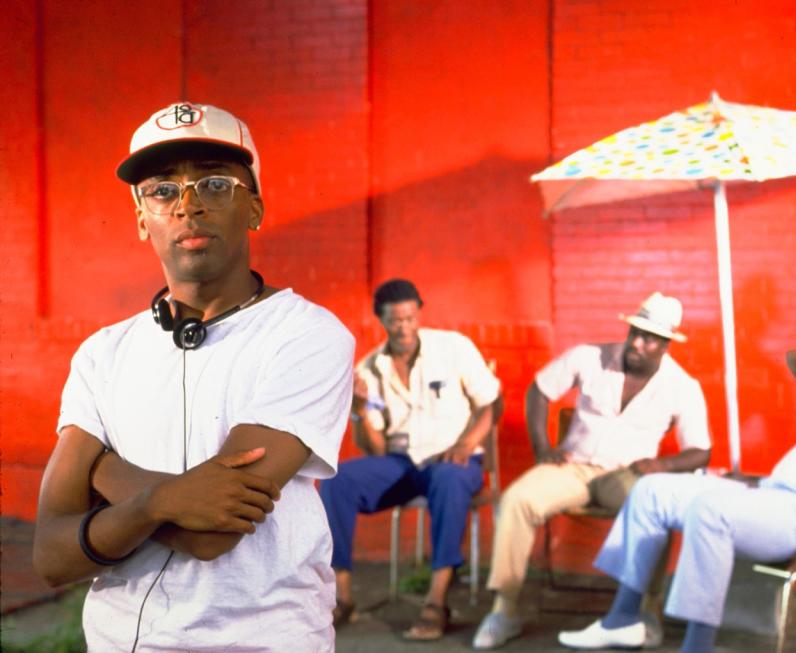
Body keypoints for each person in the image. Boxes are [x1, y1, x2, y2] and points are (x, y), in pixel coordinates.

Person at [32, 102, 355, 652]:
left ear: (253, 207)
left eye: (214, 184)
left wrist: (102, 470)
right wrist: (162, 503)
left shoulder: (307, 336)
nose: (188, 206)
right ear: (140, 219)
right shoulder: (101, 354)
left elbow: (211, 534)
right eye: (162, 190)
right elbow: (51, 556)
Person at [557, 320, 796, 652]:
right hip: (772, 496)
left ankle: (697, 646)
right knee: (652, 490)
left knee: (712, 513)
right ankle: (623, 619)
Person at [473, 291, 712, 650]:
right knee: (517, 500)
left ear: (666, 345)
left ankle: (648, 610)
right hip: (573, 466)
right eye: (636, 332)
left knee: (657, 511)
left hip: (627, 474)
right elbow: (539, 388)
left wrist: (661, 465)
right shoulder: (590, 356)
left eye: (651, 339)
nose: (639, 343)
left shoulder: (682, 386)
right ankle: (504, 609)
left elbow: (701, 451)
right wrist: (542, 446)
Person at [319, 278, 501, 641]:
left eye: (410, 318)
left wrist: (466, 444)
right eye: (395, 320)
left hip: (454, 461)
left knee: (449, 479)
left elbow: (491, 403)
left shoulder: (453, 348)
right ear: (381, 320)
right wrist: (358, 410)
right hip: (402, 462)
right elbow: (375, 448)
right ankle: (342, 596)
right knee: (336, 481)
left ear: (419, 313)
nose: (404, 327)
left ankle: (436, 601)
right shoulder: (371, 368)